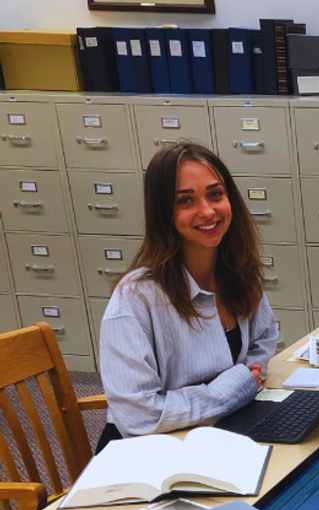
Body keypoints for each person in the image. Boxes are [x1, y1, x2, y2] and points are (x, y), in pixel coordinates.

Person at [97, 142, 278, 448]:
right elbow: (137, 416)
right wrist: (229, 391)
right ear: (163, 212)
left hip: (218, 432)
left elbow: (263, 341)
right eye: (185, 201)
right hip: (148, 453)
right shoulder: (136, 297)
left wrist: (240, 384)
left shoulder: (238, 273)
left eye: (215, 194)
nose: (207, 211)